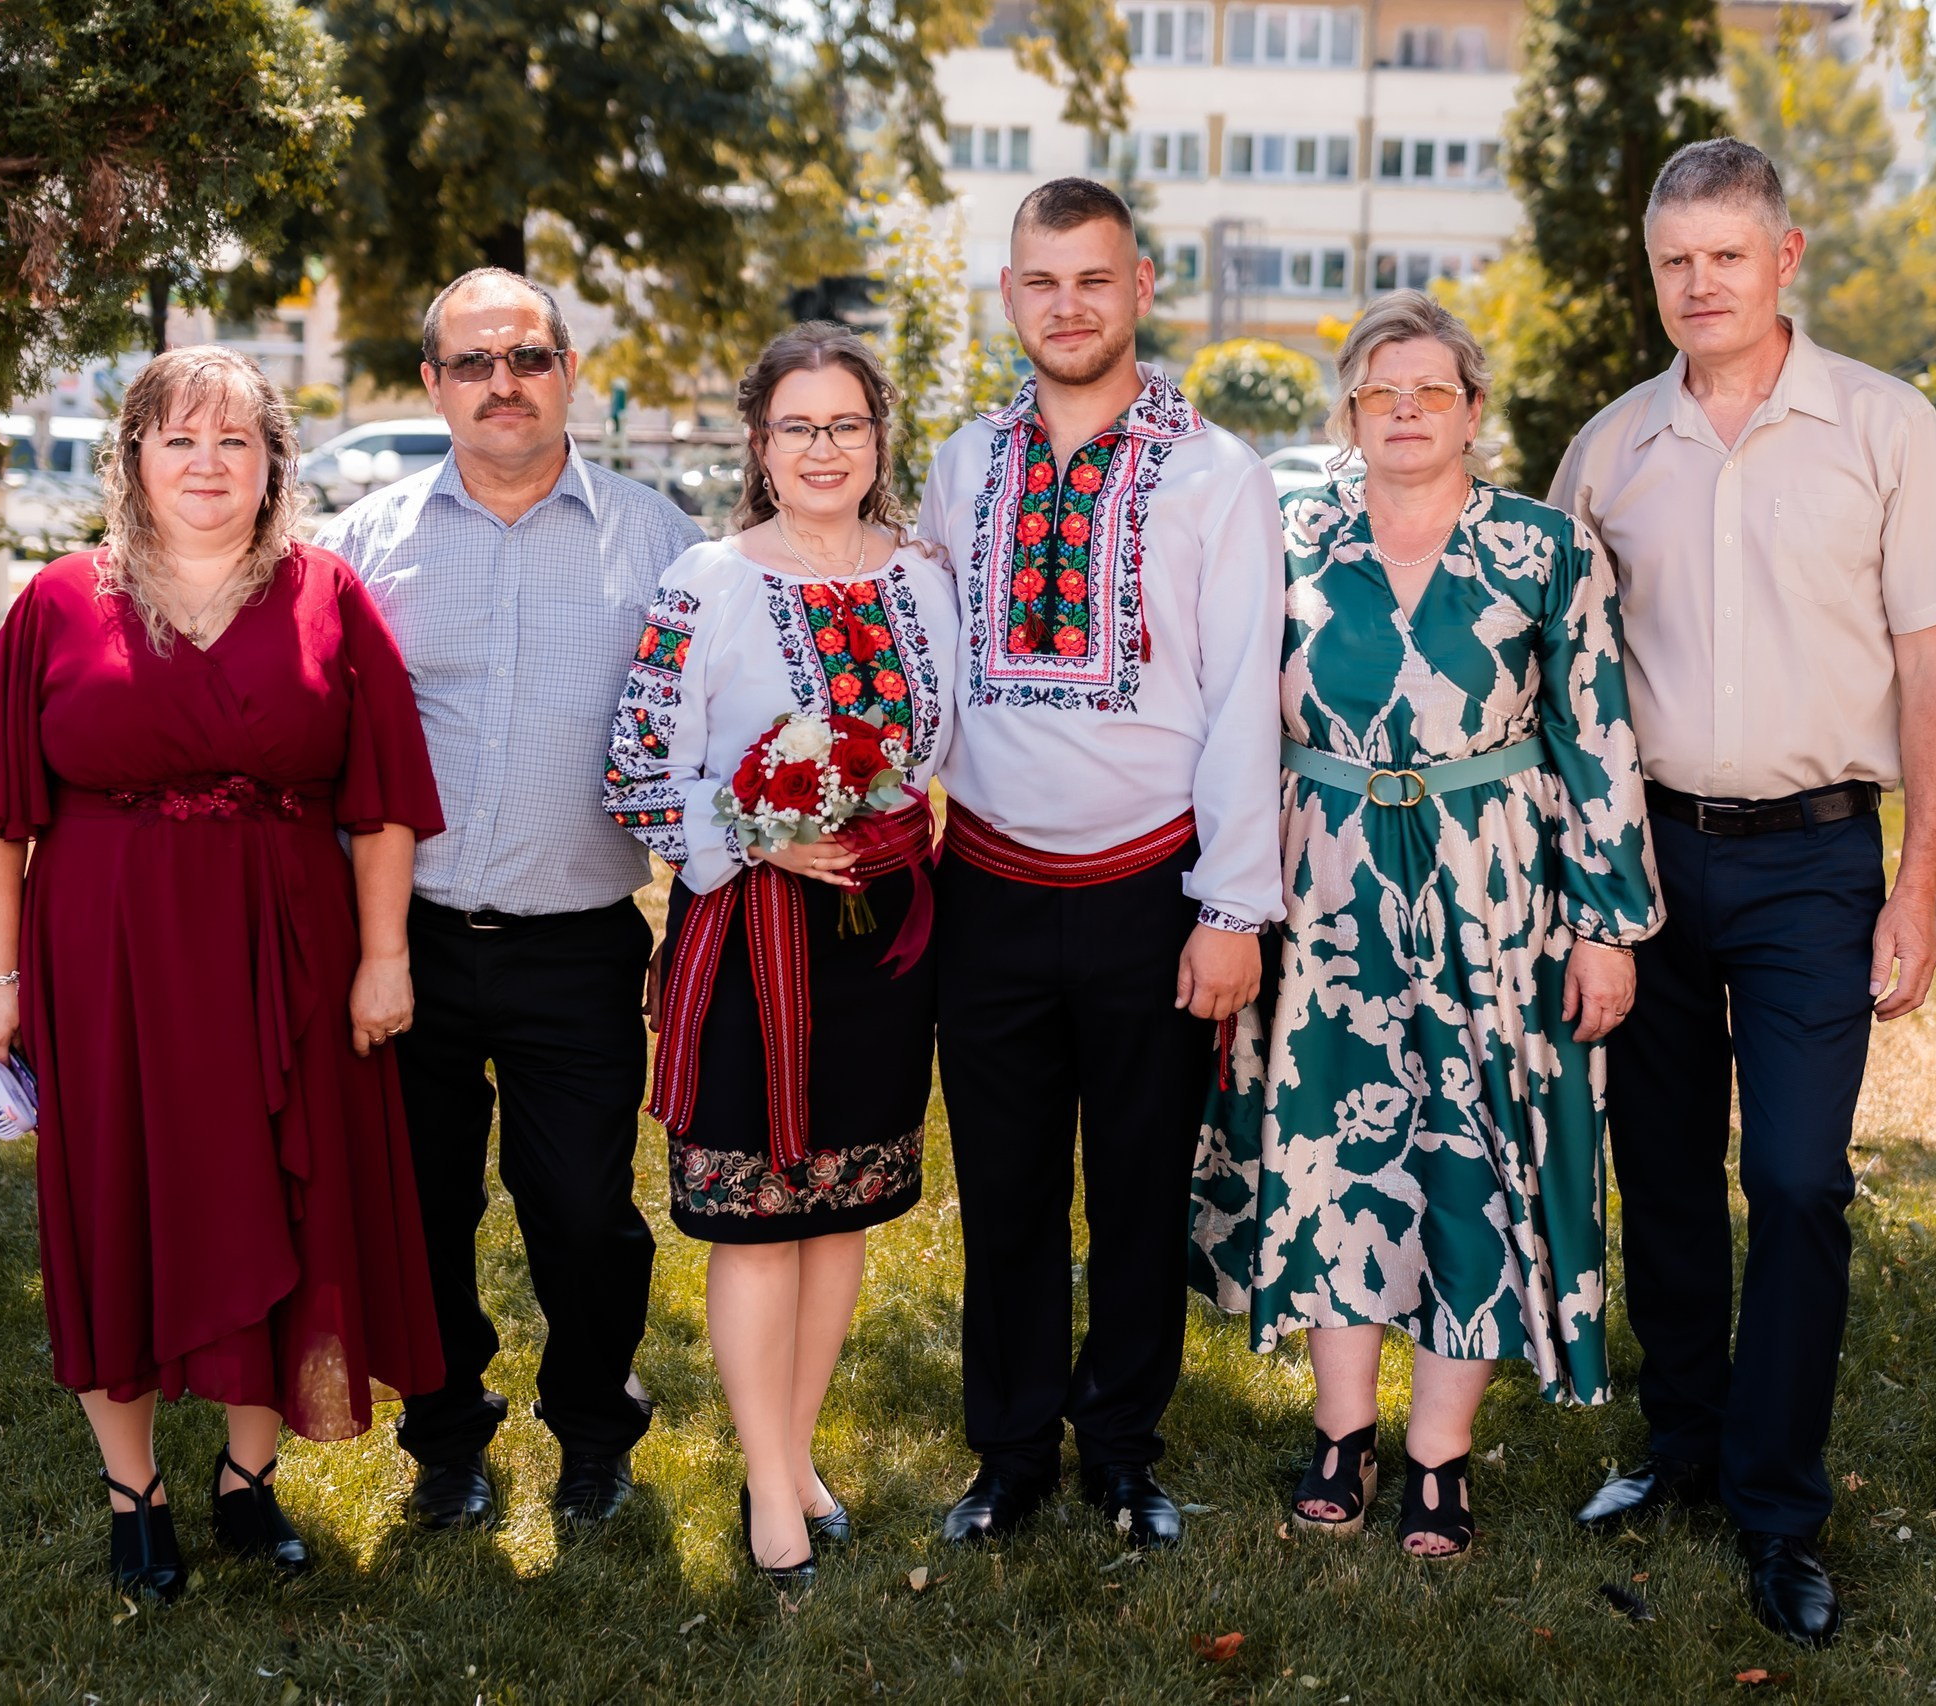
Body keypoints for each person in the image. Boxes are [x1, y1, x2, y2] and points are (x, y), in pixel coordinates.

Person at [1549, 139, 1936, 1644]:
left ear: (1785, 258)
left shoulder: (1882, 425)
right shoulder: (1609, 449)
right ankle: (1683, 1449)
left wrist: (1914, 888)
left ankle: (1779, 1503)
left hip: (1815, 859)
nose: (1699, 285)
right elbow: (1562, 682)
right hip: (1650, 857)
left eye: (1727, 256)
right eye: (1676, 260)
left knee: (1797, 1180)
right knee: (1658, 1168)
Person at [0, 346, 448, 1603]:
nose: (208, 464)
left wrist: (384, 958)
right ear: (133, 460)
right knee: (117, 1196)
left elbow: (384, 801)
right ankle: (134, 1493)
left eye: (234, 440)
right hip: (105, 958)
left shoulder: (328, 594)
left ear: (273, 459)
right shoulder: (58, 601)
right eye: (179, 440)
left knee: (279, 1196)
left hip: (288, 951)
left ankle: (246, 1476)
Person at [1191, 291, 1662, 1559]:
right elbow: (1226, 715)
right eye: (1378, 394)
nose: (1404, 413)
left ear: (1472, 409)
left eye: (1429, 393)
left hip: (1492, 892)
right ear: (1347, 411)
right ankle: (1340, 1430)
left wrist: (1607, 923)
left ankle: (1439, 1453)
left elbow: (1597, 738)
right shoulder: (1285, 536)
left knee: (1471, 1145)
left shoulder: (1547, 549)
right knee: (1331, 1151)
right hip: (1322, 885)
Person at [916, 177, 1285, 1550]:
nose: (1067, 305)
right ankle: (1010, 1452)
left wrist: (1235, 905)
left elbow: (1249, 693)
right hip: (992, 885)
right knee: (1006, 1186)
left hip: (1153, 888)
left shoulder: (1215, 474)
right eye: (1041, 281)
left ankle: (1124, 1446)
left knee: (1137, 1182)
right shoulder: (962, 466)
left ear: (1140, 287)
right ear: (1011, 297)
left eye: (1093, 278)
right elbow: (925, 665)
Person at [317, 269, 701, 1532]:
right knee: (422, 1208)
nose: (502, 383)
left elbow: (708, 734)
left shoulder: (660, 540)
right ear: (431, 383)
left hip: (579, 943)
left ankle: (595, 1428)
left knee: (583, 1212)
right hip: (403, 942)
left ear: (568, 371)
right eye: (473, 362)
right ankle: (445, 1437)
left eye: (527, 357)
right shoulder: (360, 549)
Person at [602, 324, 958, 1585]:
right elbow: (640, 773)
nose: (824, 448)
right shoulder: (708, 581)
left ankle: (799, 1449)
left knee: (843, 1206)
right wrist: (757, 833)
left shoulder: (923, 577)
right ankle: (765, 1486)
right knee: (759, 1216)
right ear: (759, 442)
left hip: (882, 939)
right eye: (798, 426)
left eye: (846, 425)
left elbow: (942, 751)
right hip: (753, 934)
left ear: (877, 441)